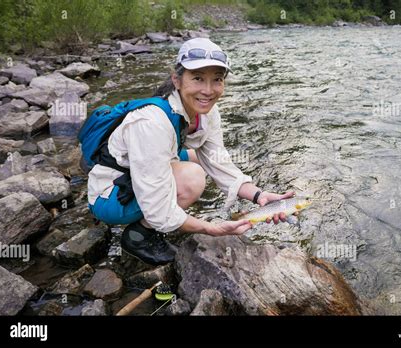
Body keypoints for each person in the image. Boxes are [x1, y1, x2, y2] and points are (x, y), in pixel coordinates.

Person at [87, 38, 295, 265]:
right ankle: (139, 235)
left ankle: (154, 223)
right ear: (177, 80)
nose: (208, 90)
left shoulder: (206, 112)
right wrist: (211, 229)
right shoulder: (151, 122)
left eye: (217, 80)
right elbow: (158, 208)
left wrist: (259, 196)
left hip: (136, 171)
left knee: (199, 158)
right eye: (198, 78)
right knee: (193, 177)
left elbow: (219, 162)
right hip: (108, 197)